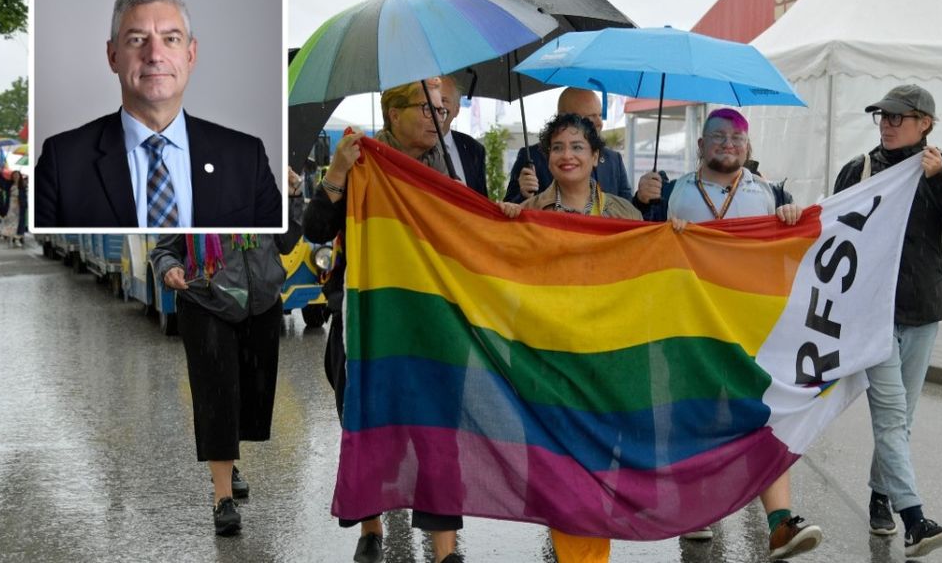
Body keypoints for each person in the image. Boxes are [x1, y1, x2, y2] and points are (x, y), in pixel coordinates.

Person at [633, 108, 822, 560]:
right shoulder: (669, 192)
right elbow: (636, 244)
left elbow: (797, 247)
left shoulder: (771, 194)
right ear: (699, 146)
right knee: (695, 418)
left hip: (750, 324)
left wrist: (790, 216)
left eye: (737, 138)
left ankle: (779, 523)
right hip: (689, 325)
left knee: (763, 414)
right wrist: (646, 207)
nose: (727, 144)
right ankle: (698, 512)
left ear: (748, 147)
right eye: (717, 136)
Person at [302, 77, 464, 563]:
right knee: (368, 424)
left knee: (437, 435)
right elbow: (314, 230)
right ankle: (372, 529)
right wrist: (335, 173)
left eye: (444, 110)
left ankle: (445, 550)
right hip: (367, 320)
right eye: (427, 108)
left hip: (434, 322)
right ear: (393, 115)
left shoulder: (461, 160)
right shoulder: (360, 159)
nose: (439, 119)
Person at [833, 84, 942, 558]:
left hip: (922, 312)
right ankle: (915, 520)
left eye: (899, 118)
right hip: (872, 315)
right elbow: (830, 229)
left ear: (925, 124)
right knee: (892, 417)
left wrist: (939, 180)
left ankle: (881, 495)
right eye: (883, 117)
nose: (888, 124)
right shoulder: (859, 170)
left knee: (902, 420)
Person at [498, 113, 641, 563]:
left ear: (597, 157)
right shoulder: (530, 214)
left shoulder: (624, 213)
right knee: (564, 470)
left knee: (601, 466)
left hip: (608, 360)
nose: (567, 156)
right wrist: (502, 221)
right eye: (557, 147)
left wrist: (669, 235)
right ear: (546, 158)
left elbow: (645, 278)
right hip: (553, 361)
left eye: (578, 147)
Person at [34, 0, 281, 229]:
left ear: (190, 54)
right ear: (113, 57)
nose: (154, 55)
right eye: (137, 40)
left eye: (171, 39)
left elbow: (278, 249)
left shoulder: (247, 158)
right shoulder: (62, 162)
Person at [148, 166, 304, 536]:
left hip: (262, 303)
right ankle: (223, 500)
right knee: (217, 396)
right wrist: (169, 269)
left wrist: (294, 194)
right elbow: (164, 250)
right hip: (206, 302)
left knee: (249, 396)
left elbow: (286, 242)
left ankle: (228, 462)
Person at [504, 87, 632, 203]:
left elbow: (630, 214)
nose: (599, 123)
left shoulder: (614, 160)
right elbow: (509, 213)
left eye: (600, 115)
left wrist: (643, 200)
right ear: (564, 119)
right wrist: (523, 195)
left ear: (595, 157)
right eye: (591, 117)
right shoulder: (532, 157)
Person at [439, 76, 488, 196]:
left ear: (457, 110)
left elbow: (481, 200)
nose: (437, 106)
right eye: (430, 99)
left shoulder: (474, 149)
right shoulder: (411, 146)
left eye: (443, 100)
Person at [0, 171, 24, 247]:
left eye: (17, 175)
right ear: (12, 176)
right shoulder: (9, 184)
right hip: (11, 205)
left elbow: (24, 197)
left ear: (20, 176)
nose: (16, 176)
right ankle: (10, 238)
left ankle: (17, 239)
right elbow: (1, 183)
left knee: (18, 223)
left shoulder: (22, 185)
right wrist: (0, 174)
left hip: (19, 206)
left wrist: (24, 204)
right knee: (9, 221)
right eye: (14, 175)